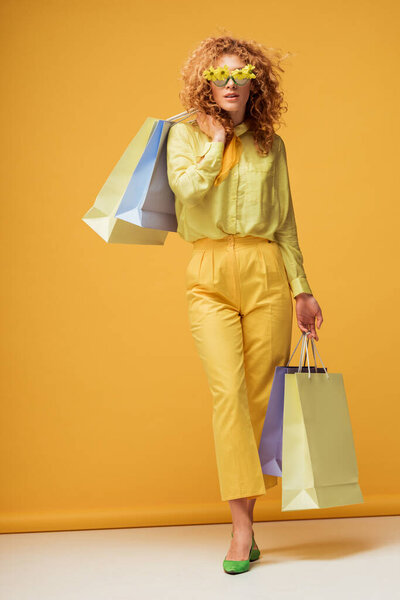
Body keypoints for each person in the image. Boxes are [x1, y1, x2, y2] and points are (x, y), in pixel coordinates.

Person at [166, 35, 323, 574]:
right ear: (205, 81)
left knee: (258, 400)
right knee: (227, 395)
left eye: (242, 73)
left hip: (265, 274)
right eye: (220, 75)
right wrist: (215, 141)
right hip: (207, 273)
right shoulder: (183, 134)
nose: (231, 84)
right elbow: (186, 191)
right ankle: (242, 527)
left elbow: (285, 223)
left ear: (257, 79)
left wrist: (301, 288)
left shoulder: (270, 144)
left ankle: (243, 524)